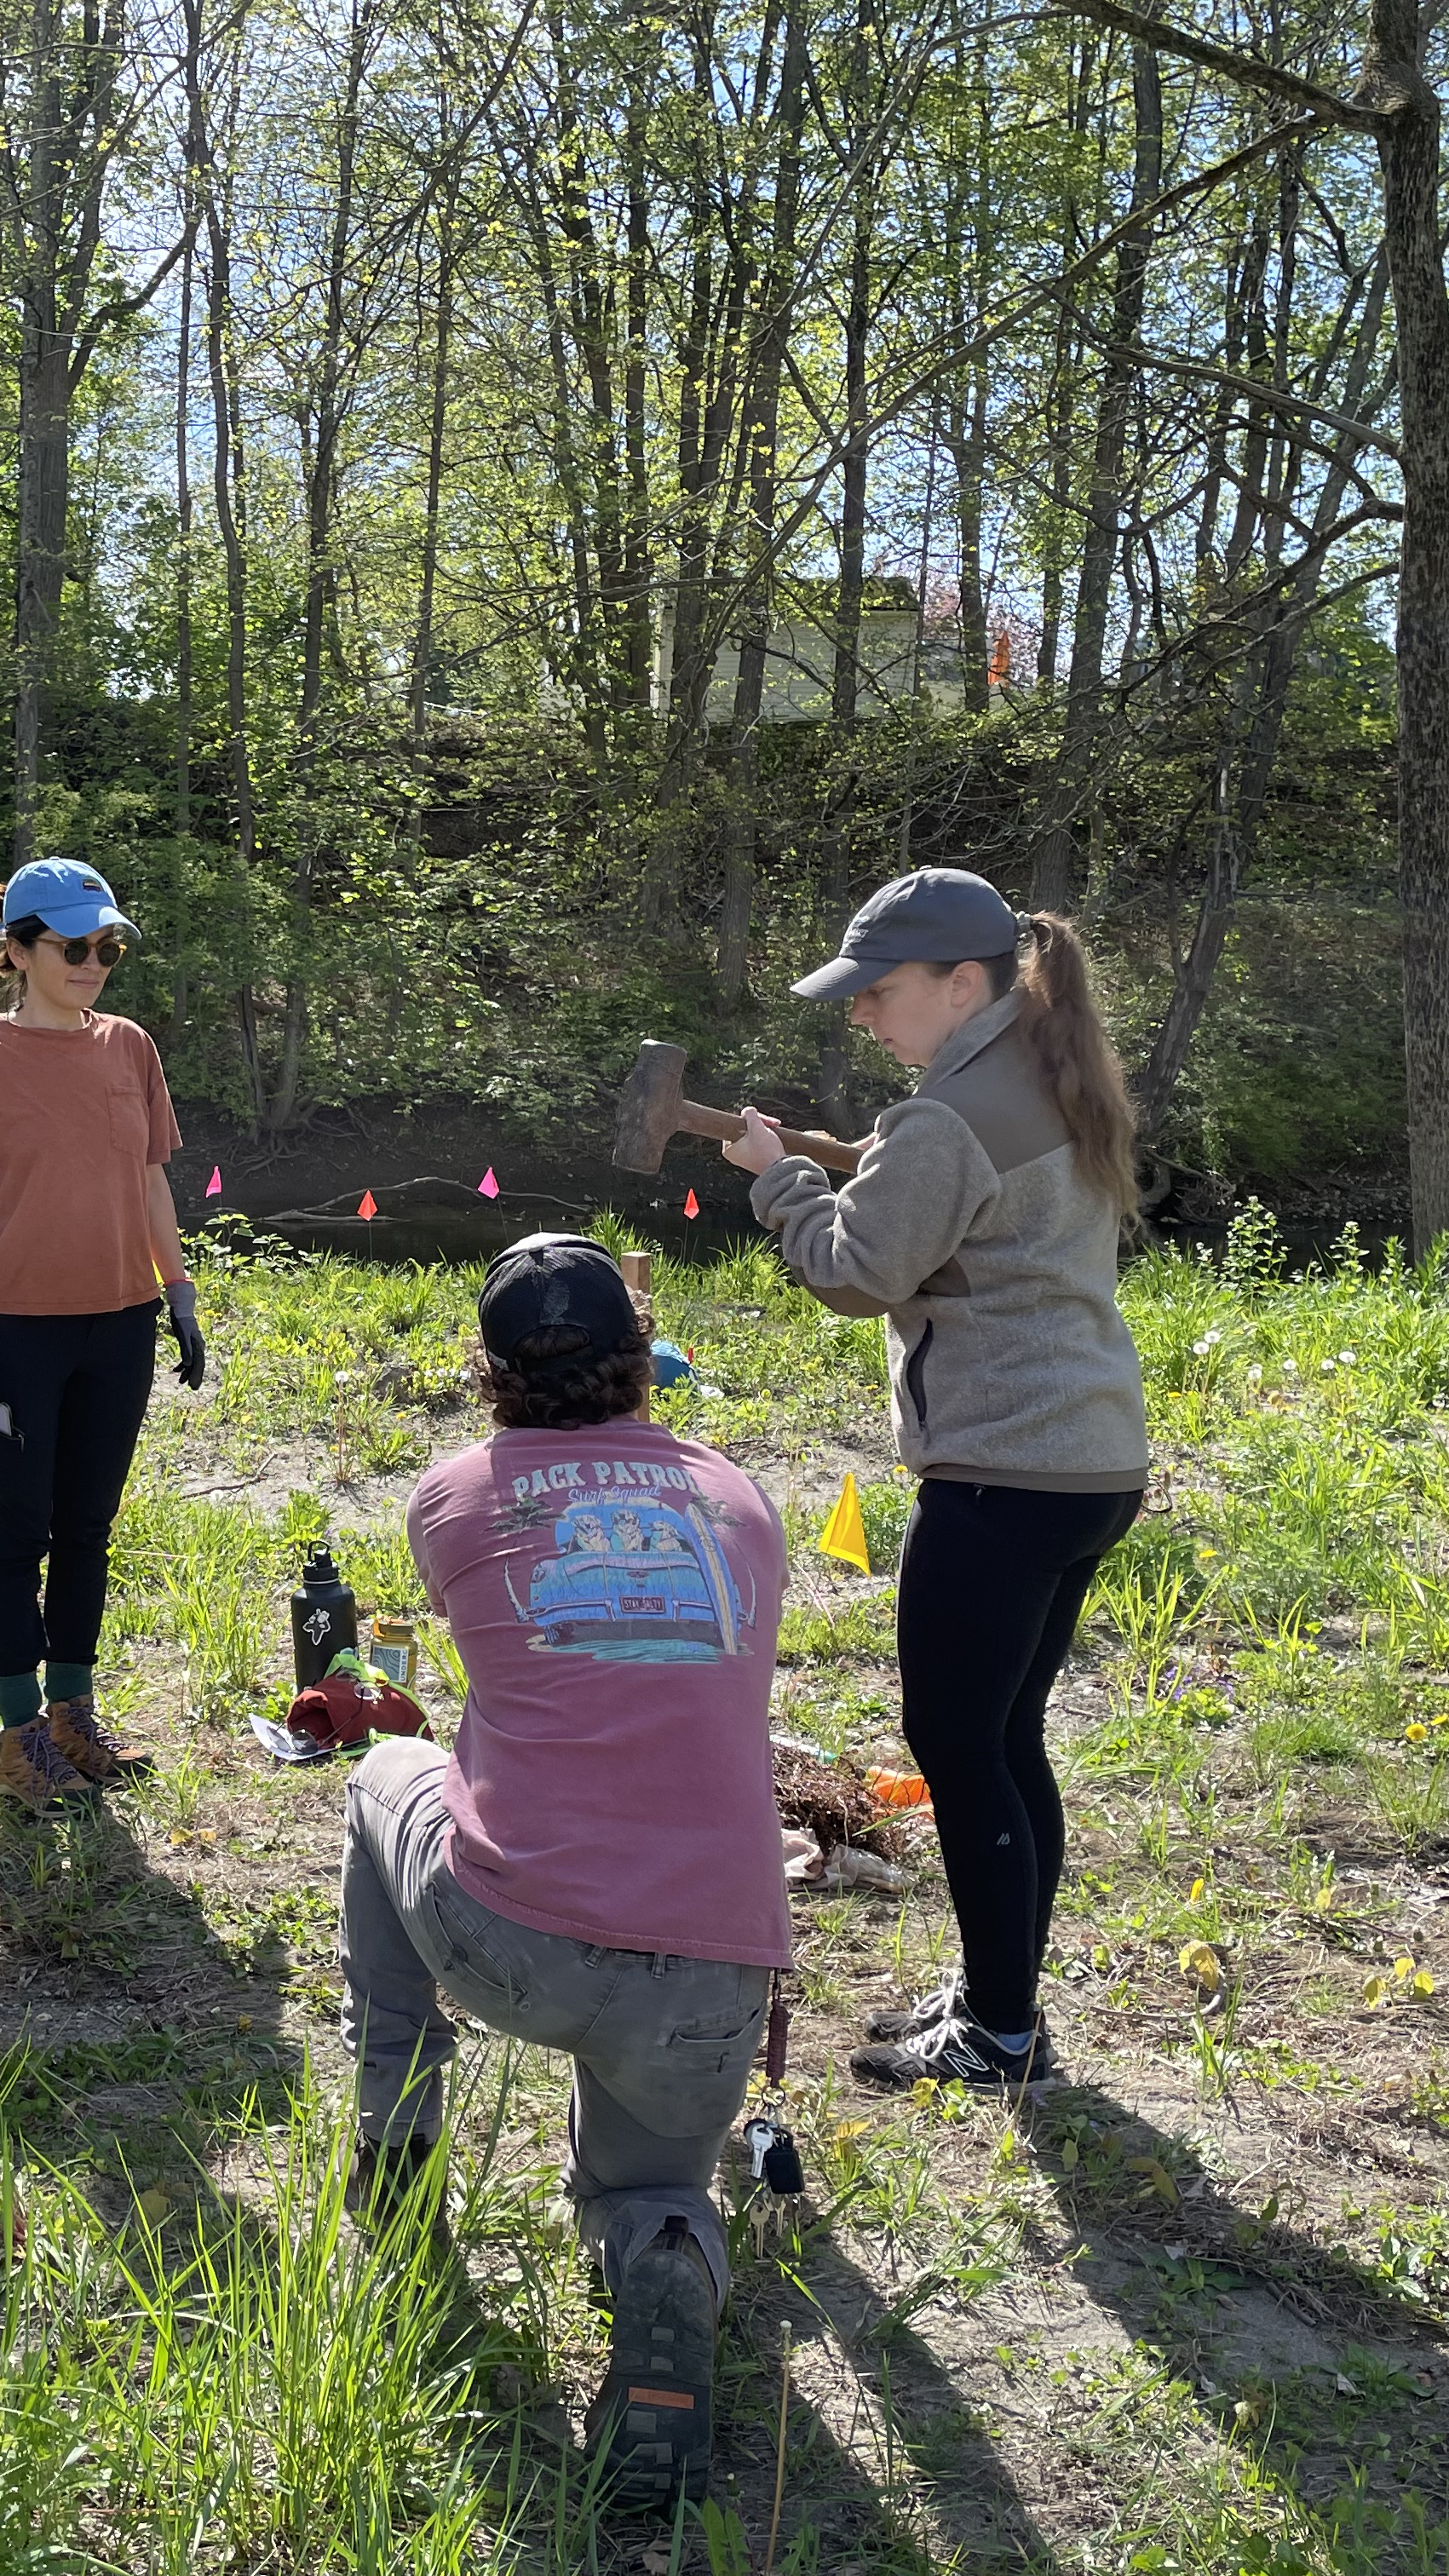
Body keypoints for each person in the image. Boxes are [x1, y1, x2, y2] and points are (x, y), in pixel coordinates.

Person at [339, 1233, 790, 2509]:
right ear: (644, 1360)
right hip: (712, 1964)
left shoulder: (455, 1494)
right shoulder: (741, 1501)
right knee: (654, 2188)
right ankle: (659, 2251)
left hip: (514, 1937)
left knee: (384, 1775)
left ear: (488, 1374)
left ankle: (398, 2142)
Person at [722, 865, 1149, 2093]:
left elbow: (858, 1270)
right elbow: (941, 1198)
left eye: (880, 990)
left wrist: (779, 1178)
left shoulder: (948, 1119)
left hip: (1004, 1472)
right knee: (1005, 1739)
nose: (860, 1013)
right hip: (1086, 1461)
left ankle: (1001, 2033)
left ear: (965, 984)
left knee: (958, 1742)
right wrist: (847, 1157)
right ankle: (1003, 2000)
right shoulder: (1037, 1077)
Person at [0, 857, 203, 1814]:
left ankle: (74, 1713)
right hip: (8, 1336)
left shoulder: (130, 1049)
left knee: (86, 1529)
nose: (94, 963)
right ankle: (19, 1730)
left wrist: (181, 1294)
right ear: (19, 950)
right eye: (74, 947)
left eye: (107, 946)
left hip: (119, 1326)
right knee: (15, 1530)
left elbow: (152, 1177)